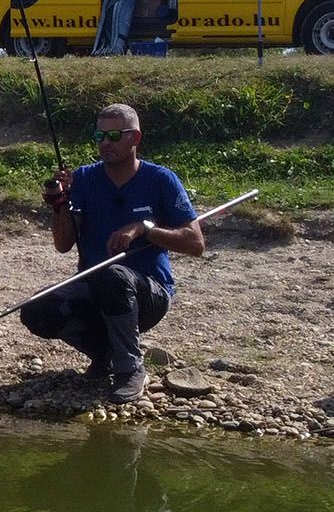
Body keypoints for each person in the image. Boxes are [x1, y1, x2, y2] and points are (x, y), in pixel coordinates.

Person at [20, 103, 204, 401]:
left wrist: (144, 229)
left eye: (115, 135)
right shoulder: (83, 179)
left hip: (149, 292)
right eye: (100, 135)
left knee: (113, 276)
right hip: (95, 285)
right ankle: (104, 353)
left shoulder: (161, 180)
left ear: (135, 138)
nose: (105, 142)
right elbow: (63, 244)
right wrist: (59, 208)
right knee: (36, 309)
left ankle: (130, 368)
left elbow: (195, 243)